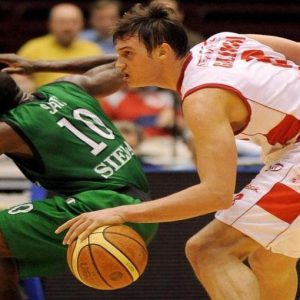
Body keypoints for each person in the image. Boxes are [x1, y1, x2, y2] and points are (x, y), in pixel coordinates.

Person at [3, 7, 300, 299]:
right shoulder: (222, 42)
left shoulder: (202, 98)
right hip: (287, 148)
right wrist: (41, 65)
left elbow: (216, 194)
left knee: (209, 250)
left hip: (295, 152)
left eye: (127, 54)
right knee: (270, 256)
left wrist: (120, 212)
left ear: (161, 53)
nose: (119, 64)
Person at [0, 55, 157, 299]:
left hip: (98, 209)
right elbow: (130, 61)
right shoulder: (68, 87)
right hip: (141, 212)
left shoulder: (11, 129)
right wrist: (40, 65)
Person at [18, 3, 102, 87]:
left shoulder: (93, 49)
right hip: (44, 98)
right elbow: (19, 79)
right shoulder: (33, 48)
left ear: (82, 24)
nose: (68, 28)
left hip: (83, 98)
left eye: (74, 22)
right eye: (62, 22)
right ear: (50, 24)